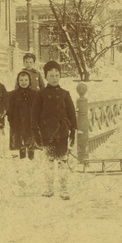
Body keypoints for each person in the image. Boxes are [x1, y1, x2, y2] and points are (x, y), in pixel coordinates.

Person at [31, 61, 77, 200]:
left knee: (63, 161)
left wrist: (73, 130)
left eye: (57, 75)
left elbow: (71, 113)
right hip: (47, 133)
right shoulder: (41, 94)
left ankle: (64, 189)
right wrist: (35, 132)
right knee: (49, 162)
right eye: (51, 75)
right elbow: (34, 115)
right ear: (45, 77)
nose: (54, 78)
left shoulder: (65, 94)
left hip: (62, 133)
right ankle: (49, 188)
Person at [7, 70, 38, 161]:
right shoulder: (13, 94)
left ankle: (31, 159)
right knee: (20, 142)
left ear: (30, 81)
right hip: (18, 122)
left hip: (30, 122)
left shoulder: (35, 94)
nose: (24, 82)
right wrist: (11, 120)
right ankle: (22, 159)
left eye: (26, 80)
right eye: (21, 80)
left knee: (31, 141)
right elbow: (9, 109)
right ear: (18, 81)